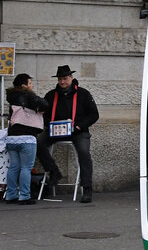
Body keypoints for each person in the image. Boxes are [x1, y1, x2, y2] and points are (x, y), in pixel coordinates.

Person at [36, 64, 100, 202]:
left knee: (84, 152)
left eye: (65, 78)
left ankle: (87, 188)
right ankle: (54, 172)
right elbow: (43, 115)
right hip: (56, 130)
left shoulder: (83, 94)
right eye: (60, 79)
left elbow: (94, 115)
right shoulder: (51, 95)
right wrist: (49, 125)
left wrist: (78, 126)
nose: (62, 82)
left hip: (78, 131)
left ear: (71, 78)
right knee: (37, 143)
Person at [4, 73, 48, 204]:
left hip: (11, 138)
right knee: (26, 168)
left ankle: (10, 195)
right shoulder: (28, 95)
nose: (32, 86)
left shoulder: (11, 97)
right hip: (27, 137)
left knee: (13, 167)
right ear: (23, 85)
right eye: (30, 83)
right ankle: (24, 196)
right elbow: (44, 104)